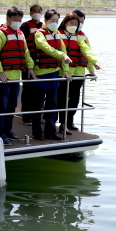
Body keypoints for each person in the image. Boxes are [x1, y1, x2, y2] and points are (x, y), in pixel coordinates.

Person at [0, 6, 36, 146]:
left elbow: (26, 53)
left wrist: (30, 67)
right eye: (15, 19)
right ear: (7, 19)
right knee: (2, 106)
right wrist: (0, 71)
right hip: (3, 78)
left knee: (12, 106)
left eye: (20, 20)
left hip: (16, 76)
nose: (18, 22)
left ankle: (8, 130)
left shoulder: (20, 33)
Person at [31, 9, 72, 140]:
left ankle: (51, 131)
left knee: (52, 105)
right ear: (45, 21)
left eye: (56, 21)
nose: (54, 23)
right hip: (41, 74)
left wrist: (65, 71)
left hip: (54, 74)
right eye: (52, 21)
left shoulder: (57, 34)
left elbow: (64, 51)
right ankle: (37, 132)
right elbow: (46, 48)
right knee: (37, 105)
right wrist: (61, 56)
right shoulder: (39, 34)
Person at [56, 12, 98, 134]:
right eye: (74, 22)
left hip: (79, 71)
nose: (77, 25)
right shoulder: (59, 35)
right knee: (62, 98)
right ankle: (62, 122)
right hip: (63, 73)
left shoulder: (82, 37)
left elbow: (87, 52)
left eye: (80, 22)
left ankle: (69, 121)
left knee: (74, 99)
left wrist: (91, 69)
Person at [19, 4, 44, 126]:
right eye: (34, 11)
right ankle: (26, 117)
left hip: (41, 64)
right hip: (28, 63)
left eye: (39, 11)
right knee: (28, 90)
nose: (37, 13)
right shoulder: (25, 26)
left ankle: (38, 116)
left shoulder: (44, 26)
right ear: (30, 13)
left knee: (39, 91)